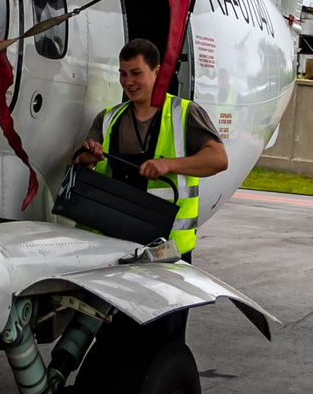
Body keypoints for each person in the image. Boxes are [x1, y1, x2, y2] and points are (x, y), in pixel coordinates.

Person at [73, 36, 229, 259]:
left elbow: (218, 159)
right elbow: (80, 164)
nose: (128, 82)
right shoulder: (106, 119)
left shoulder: (185, 113)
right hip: (112, 244)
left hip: (166, 249)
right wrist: (85, 158)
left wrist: (169, 165)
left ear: (157, 71)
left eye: (136, 73)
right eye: (123, 74)